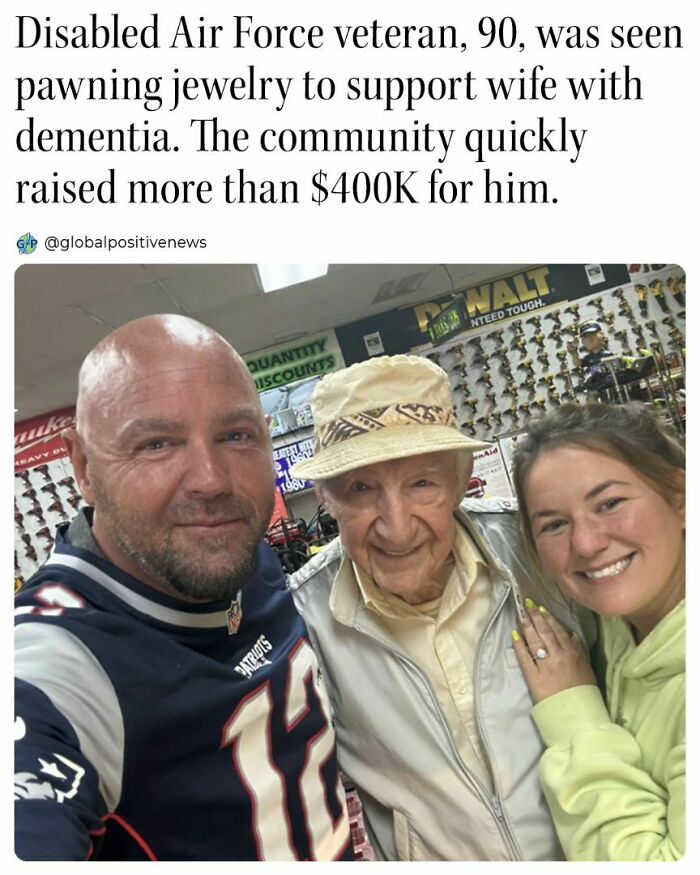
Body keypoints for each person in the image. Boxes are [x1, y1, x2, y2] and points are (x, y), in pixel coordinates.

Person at [14, 315, 352, 862]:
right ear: (82, 467)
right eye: (155, 445)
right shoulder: (56, 663)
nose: (212, 480)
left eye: (236, 436)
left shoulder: (246, 556)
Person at [287, 354, 596, 861]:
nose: (396, 525)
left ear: (460, 480)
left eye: (421, 484)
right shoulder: (303, 621)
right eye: (361, 489)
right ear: (327, 500)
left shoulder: (539, 548)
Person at [509, 402, 685, 861]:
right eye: (554, 524)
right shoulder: (616, 630)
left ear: (681, 499)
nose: (586, 544)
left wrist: (576, 718)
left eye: (609, 504)